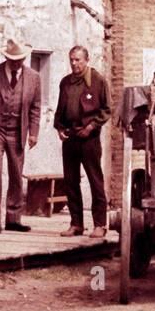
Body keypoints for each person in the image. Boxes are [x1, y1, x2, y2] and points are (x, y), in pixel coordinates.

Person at [0, 37, 41, 233]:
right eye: (12, 59)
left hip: (17, 131)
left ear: (24, 59)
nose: (15, 63)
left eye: (19, 59)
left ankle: (13, 218)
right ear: (6, 58)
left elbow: (35, 108)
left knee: (16, 175)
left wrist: (33, 133)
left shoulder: (34, 77)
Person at [54, 45, 110, 237]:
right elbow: (60, 108)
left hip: (89, 139)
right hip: (70, 138)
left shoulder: (98, 81)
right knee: (70, 181)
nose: (74, 63)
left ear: (87, 60)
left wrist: (91, 127)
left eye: (77, 59)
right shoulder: (65, 82)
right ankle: (76, 223)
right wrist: (60, 129)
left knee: (95, 181)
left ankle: (100, 224)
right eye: (71, 59)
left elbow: (106, 109)